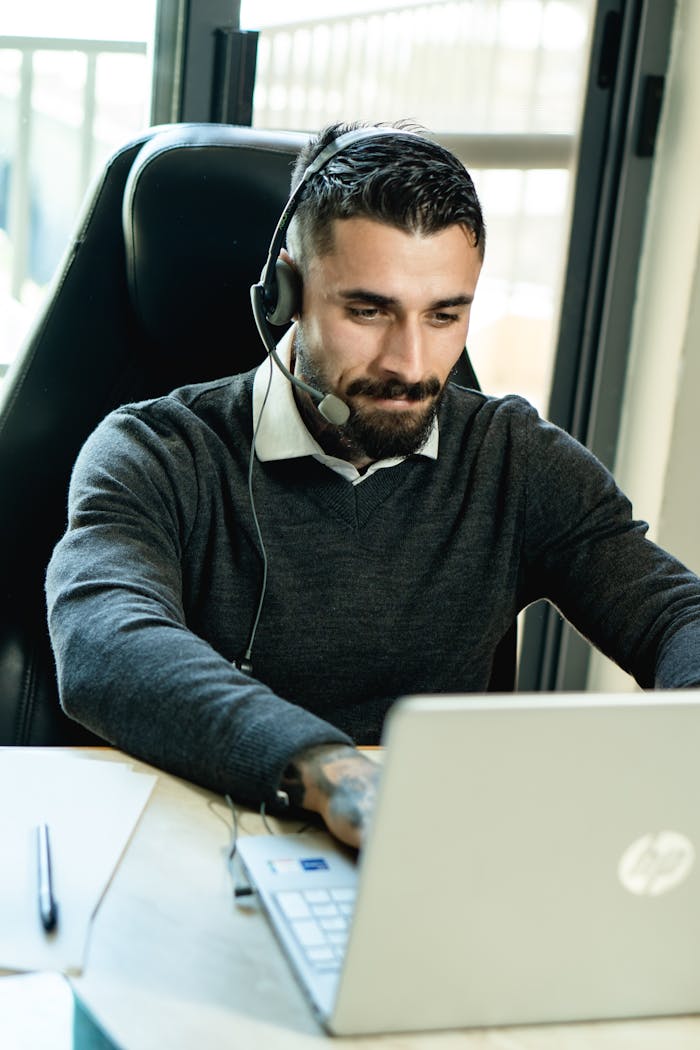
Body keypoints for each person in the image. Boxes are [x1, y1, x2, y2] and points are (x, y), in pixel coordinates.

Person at [46, 120, 700, 849]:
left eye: (445, 315)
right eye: (368, 310)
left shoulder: (514, 456)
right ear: (287, 293)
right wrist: (330, 771)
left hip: (433, 852)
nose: (410, 364)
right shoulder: (157, 451)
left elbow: (676, 614)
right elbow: (103, 639)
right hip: (199, 847)